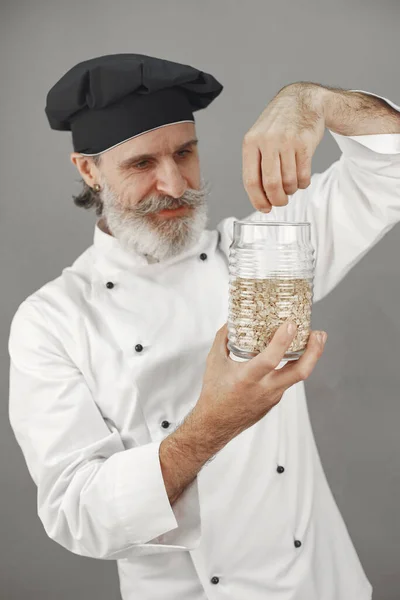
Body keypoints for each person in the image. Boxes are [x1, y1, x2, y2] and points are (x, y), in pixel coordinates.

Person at [8, 54, 400, 600]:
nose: (174, 184)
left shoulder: (265, 254)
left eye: (185, 153)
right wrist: (216, 421)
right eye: (142, 163)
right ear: (89, 170)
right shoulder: (53, 320)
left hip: (321, 584)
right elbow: (79, 514)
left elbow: (393, 162)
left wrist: (313, 100)